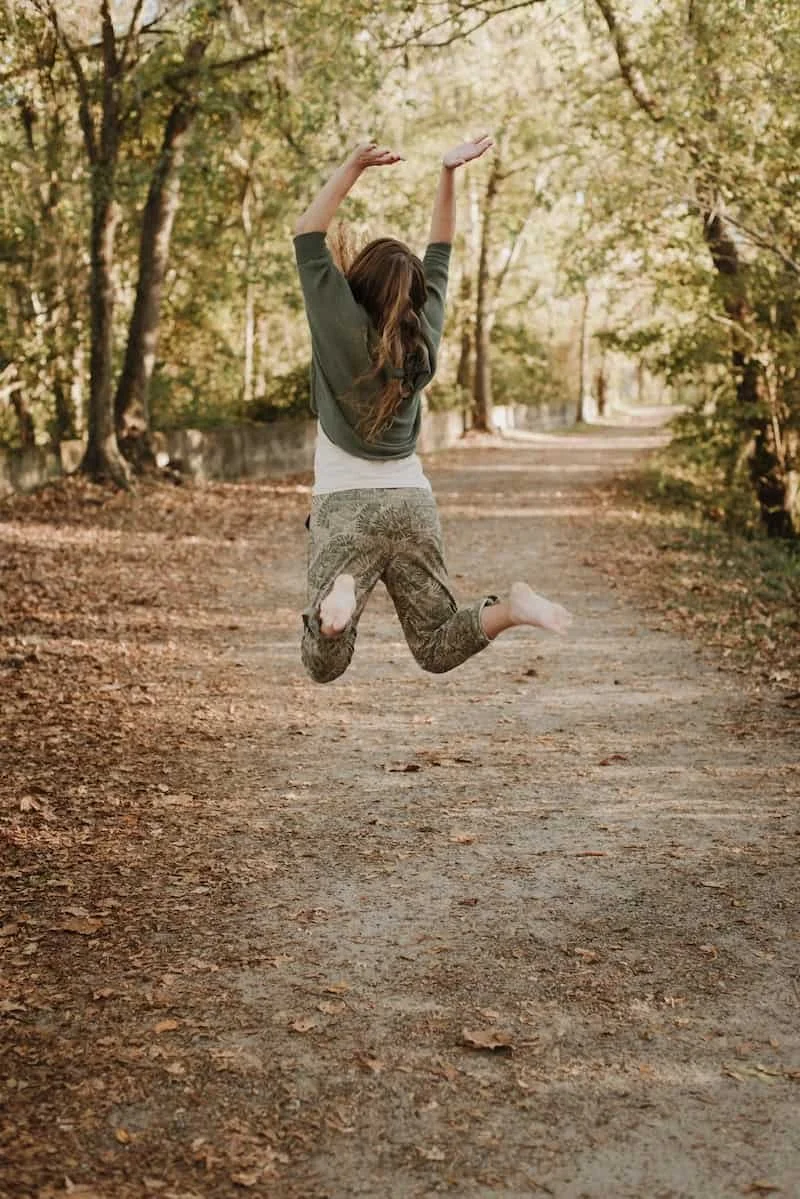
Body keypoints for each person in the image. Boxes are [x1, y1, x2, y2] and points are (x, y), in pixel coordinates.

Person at [293, 137, 572, 684]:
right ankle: (511, 610)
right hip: (412, 505)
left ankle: (340, 597)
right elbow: (441, 248)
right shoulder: (423, 334)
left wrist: (354, 166)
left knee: (323, 662)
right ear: (417, 293)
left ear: (361, 279)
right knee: (437, 644)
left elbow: (308, 233)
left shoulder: (337, 320)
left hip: (344, 507)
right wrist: (448, 172)